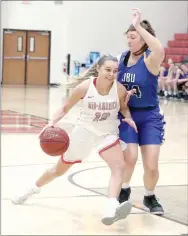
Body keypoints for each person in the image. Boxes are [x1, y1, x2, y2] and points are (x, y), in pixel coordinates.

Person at [12, 55, 138, 226]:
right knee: (58, 170)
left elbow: (124, 107)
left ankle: (111, 207)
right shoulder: (85, 87)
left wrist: (129, 117)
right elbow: (64, 108)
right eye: (108, 70)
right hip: (84, 132)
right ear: (98, 69)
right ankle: (31, 189)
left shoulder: (120, 89)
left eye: (115, 71)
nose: (111, 74)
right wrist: (51, 123)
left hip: (107, 133)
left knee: (119, 166)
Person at [82, 9, 166, 215]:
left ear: (144, 38)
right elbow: (107, 81)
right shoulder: (121, 59)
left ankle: (149, 195)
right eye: (127, 36)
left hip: (149, 116)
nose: (128, 40)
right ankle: (124, 190)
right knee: (129, 157)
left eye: (133, 36)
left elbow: (160, 48)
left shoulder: (150, 59)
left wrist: (138, 26)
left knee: (152, 165)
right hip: (126, 115)